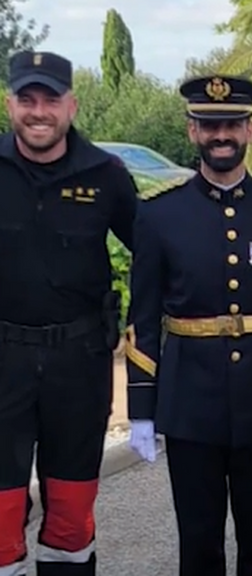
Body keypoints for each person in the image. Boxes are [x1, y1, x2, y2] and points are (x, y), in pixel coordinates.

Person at [123, 75, 252, 576]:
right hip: (189, 401)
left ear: (250, 129)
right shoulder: (159, 214)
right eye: (209, 126)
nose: (221, 135)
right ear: (192, 131)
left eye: (231, 124)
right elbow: (142, 318)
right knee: (199, 544)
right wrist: (141, 408)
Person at [0, 50, 138, 576]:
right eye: (27, 99)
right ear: (10, 104)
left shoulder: (106, 174)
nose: (39, 111)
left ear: (71, 106)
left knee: (71, 515)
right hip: (3, 361)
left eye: (50, 100)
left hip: (78, 364)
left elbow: (153, 252)